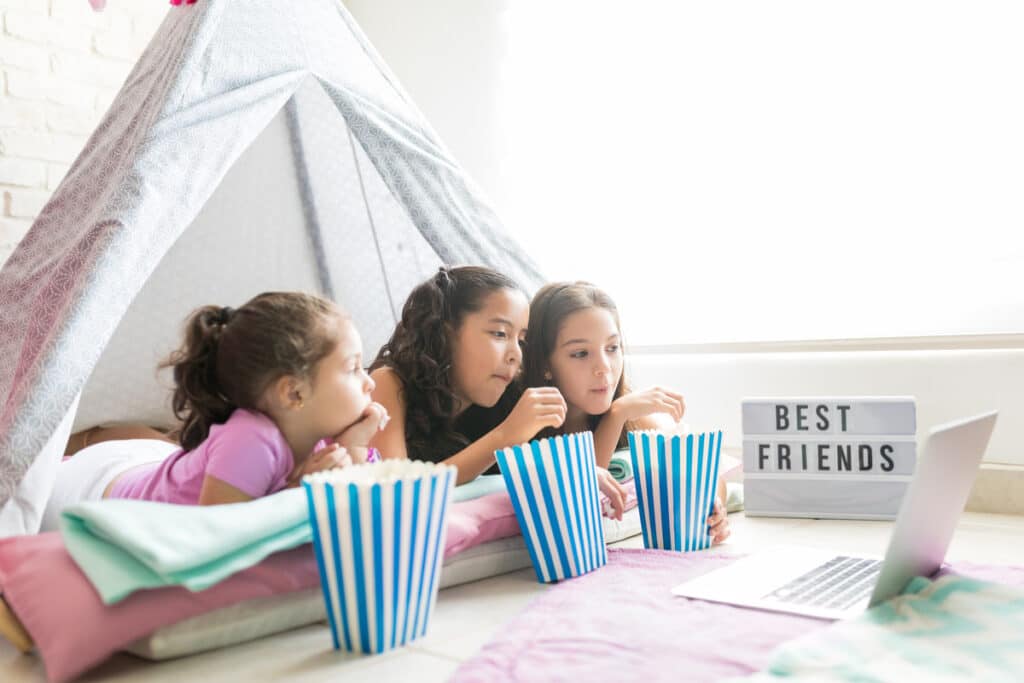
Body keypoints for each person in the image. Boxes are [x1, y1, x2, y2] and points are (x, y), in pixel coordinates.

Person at [42, 292, 386, 529]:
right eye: (354, 367)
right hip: (93, 493)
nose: (369, 381)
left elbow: (360, 504)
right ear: (294, 392)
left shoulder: (321, 437)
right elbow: (215, 539)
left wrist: (354, 446)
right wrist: (295, 494)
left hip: (147, 465)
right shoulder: (253, 438)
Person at [368, 266, 626, 517]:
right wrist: (505, 436)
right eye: (500, 334)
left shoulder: (512, 397)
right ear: (446, 333)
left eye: (521, 340)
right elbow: (395, 492)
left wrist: (574, 471)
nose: (516, 354)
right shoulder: (389, 383)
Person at [523, 281, 729, 542]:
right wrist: (616, 416)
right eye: (581, 353)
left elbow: (704, 474)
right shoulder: (526, 422)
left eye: (612, 348)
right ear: (544, 364)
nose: (604, 367)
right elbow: (580, 493)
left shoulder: (633, 414)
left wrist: (714, 511)